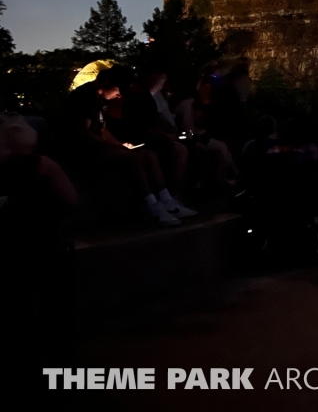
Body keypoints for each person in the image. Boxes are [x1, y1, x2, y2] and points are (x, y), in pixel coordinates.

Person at [0, 114, 78, 395]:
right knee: (55, 307)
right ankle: (60, 369)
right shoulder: (43, 165)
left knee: (17, 310)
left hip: (10, 252)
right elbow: (71, 198)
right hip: (45, 247)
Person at [56, 69, 191, 225]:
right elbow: (84, 133)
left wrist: (120, 144)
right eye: (119, 91)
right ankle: (151, 205)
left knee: (147, 154)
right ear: (107, 83)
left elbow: (102, 130)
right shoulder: (84, 96)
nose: (120, 96)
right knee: (133, 158)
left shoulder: (100, 99)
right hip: (78, 152)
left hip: (96, 147)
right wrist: (113, 147)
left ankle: (166, 200)